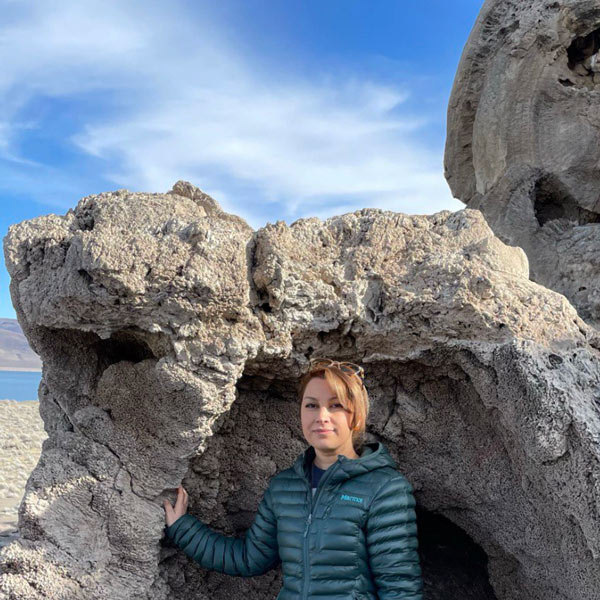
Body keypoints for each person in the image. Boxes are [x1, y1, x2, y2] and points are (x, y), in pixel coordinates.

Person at [163, 357, 424, 599]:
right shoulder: (283, 487)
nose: (321, 416)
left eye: (335, 405)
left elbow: (399, 588)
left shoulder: (385, 489)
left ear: (355, 416)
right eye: (312, 405)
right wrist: (183, 528)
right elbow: (248, 559)